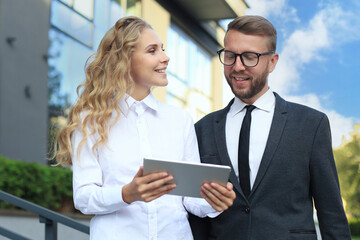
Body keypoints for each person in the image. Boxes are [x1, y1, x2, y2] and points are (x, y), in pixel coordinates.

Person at [53, 16, 236, 240]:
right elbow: (83, 198)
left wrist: (213, 201)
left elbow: (189, 199)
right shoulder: (91, 120)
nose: (165, 57)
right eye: (152, 51)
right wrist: (126, 194)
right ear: (124, 59)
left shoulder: (180, 120)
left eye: (163, 49)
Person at [188, 15, 351, 240]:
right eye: (230, 56)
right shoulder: (202, 129)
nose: (237, 66)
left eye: (249, 57)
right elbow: (196, 215)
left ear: (272, 62)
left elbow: (331, 211)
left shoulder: (311, 124)